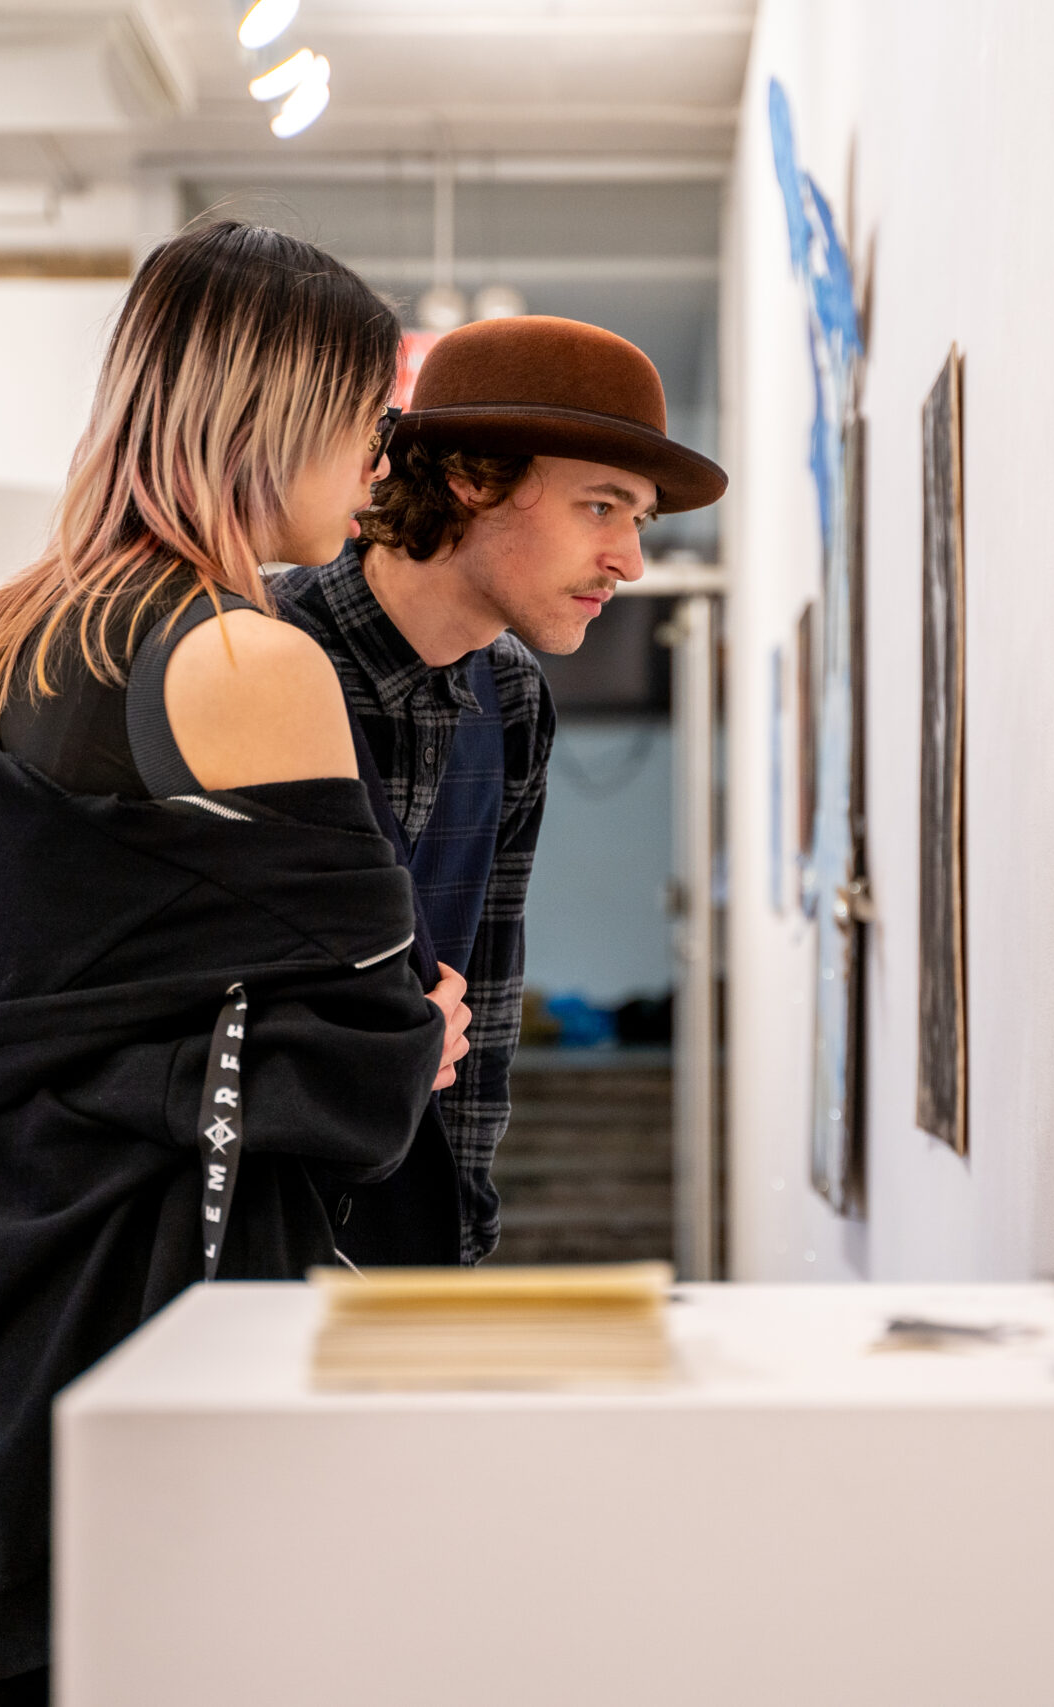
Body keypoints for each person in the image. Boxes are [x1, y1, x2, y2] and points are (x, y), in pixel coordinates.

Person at [0, 221, 463, 1707]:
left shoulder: (19, 633)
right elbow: (358, 1048)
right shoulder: (245, 659)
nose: (378, 453)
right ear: (267, 409)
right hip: (151, 1280)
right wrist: (427, 1030)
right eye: (363, 412)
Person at [274, 314, 728, 1264]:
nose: (631, 562)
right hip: (232, 1233)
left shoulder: (512, 695)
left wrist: (460, 1243)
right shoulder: (258, 651)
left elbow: (484, 991)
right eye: (601, 507)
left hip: (398, 1241)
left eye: (637, 521)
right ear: (471, 476)